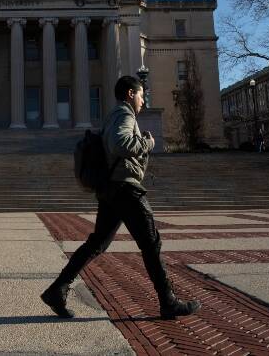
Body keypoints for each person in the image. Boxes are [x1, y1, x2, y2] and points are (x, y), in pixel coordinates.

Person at [41, 76, 201, 320]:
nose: (143, 100)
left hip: (112, 190)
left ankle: (57, 289)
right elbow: (120, 143)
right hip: (126, 189)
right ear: (130, 94)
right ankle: (168, 301)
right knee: (151, 243)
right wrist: (146, 142)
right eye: (140, 94)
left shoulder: (115, 116)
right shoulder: (125, 115)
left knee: (97, 243)